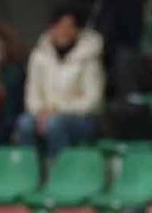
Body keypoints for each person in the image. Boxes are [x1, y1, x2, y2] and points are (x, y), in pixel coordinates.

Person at [15, 5, 104, 156]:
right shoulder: (38, 56)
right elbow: (32, 93)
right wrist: (41, 112)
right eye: (59, 26)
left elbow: (92, 101)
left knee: (55, 125)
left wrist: (57, 110)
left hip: (81, 119)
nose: (63, 31)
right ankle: (31, 171)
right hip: (44, 114)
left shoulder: (89, 58)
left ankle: (59, 169)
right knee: (25, 123)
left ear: (77, 30)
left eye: (69, 27)